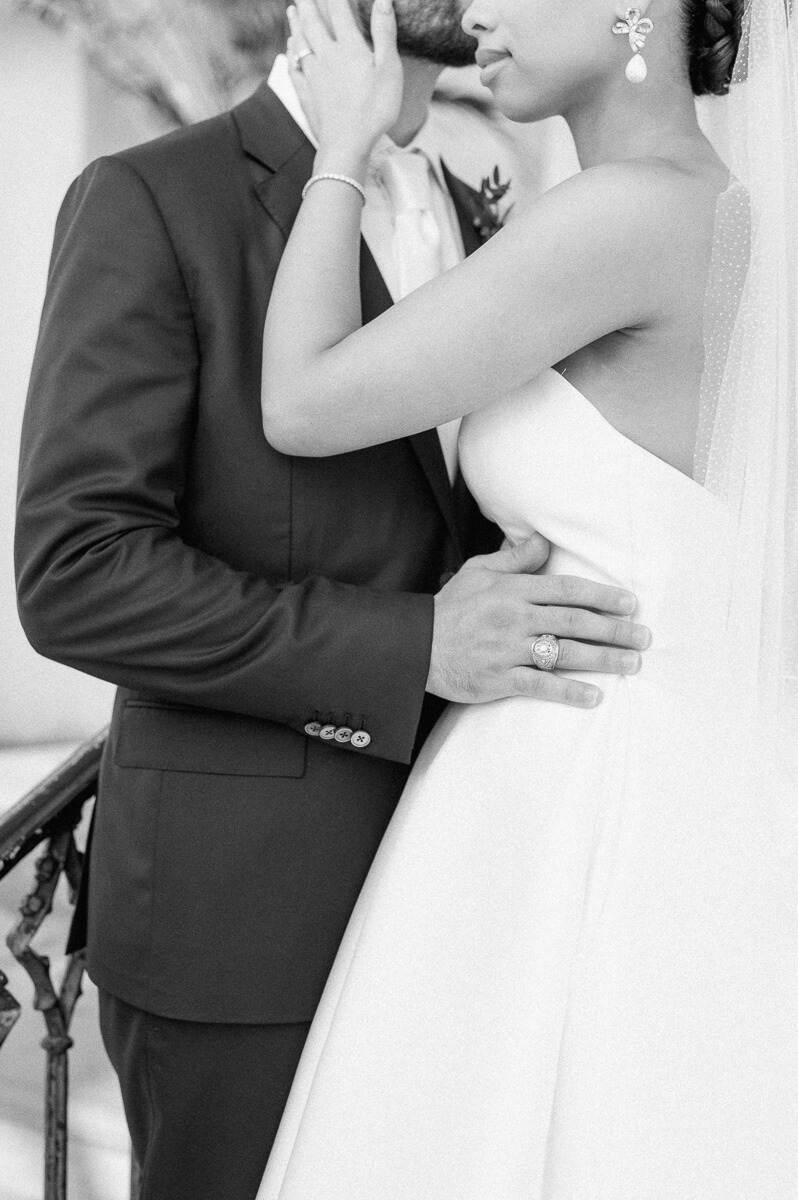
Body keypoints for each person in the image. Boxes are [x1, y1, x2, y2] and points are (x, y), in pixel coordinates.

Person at [14, 4, 650, 1198]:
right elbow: (75, 571)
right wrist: (415, 647)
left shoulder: (475, 200)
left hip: (474, 891)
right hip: (247, 930)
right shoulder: (151, 197)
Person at [254, 0, 798, 1196]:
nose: (481, 9)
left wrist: (339, 147)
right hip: (667, 771)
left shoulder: (632, 215)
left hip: (590, 798)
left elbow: (300, 402)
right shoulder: (713, 207)